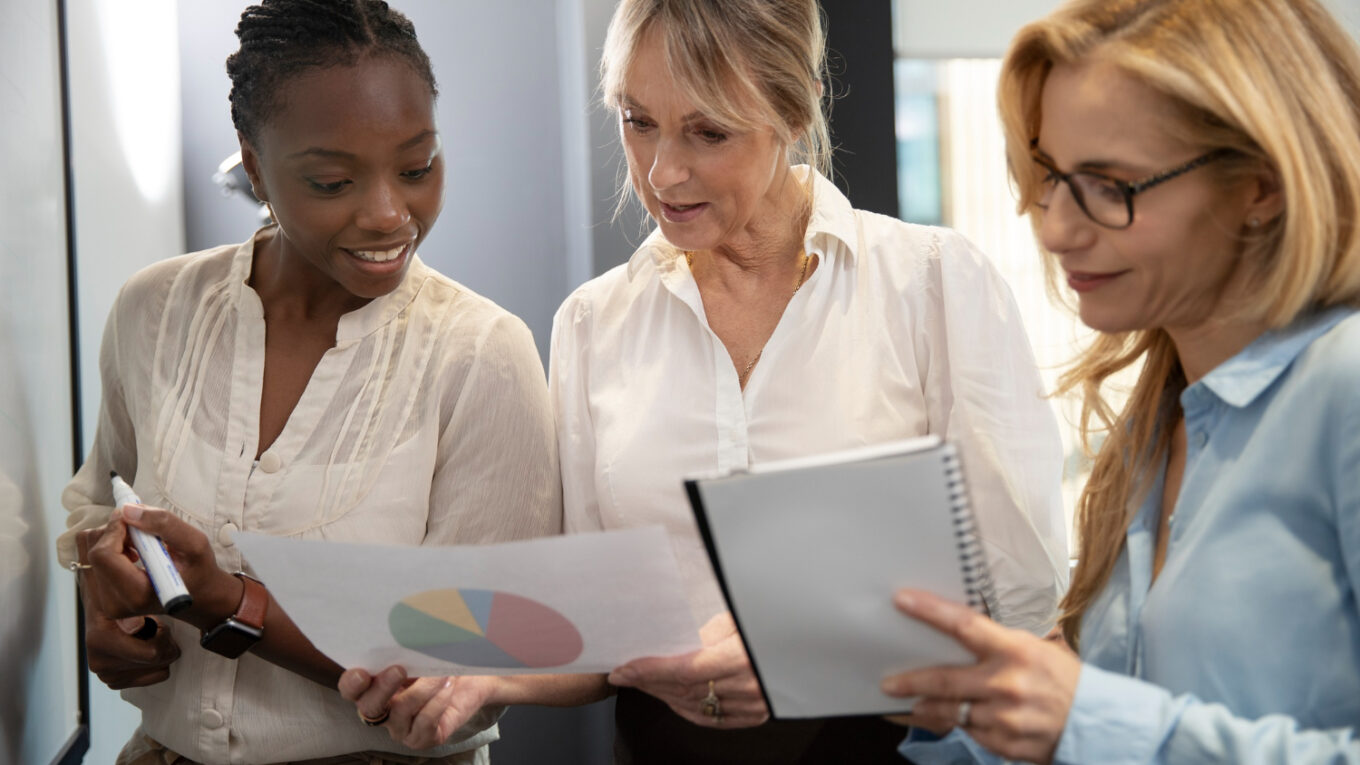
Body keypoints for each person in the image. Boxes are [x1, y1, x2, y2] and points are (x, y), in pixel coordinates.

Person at [55, 2, 584, 762]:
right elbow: (100, 503)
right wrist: (105, 597)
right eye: (333, 181)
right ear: (255, 161)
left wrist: (233, 605)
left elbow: (475, 674)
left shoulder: (480, 354)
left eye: (417, 166)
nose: (388, 214)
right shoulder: (156, 310)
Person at [545, 0, 1068, 761]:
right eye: (637, 120)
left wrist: (808, 647)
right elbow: (592, 628)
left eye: (708, 131)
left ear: (794, 111)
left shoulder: (932, 284)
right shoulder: (592, 324)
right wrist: (471, 679)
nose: (662, 172)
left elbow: (1023, 610)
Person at [886, 0, 1360, 763]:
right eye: (1049, 176)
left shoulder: (1344, 388)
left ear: (1262, 186)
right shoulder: (1151, 423)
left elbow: (1117, 729)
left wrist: (1087, 718)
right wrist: (964, 706)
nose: (1054, 229)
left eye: (1110, 185)